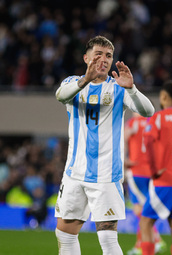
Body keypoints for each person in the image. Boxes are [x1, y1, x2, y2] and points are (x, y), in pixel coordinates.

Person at [54, 35, 155, 255]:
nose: (104, 59)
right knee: (65, 233)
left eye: (108, 55)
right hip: (74, 173)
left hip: (107, 175)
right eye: (98, 54)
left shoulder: (118, 88)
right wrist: (85, 80)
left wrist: (132, 89)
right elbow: (60, 96)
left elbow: (148, 112)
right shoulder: (72, 83)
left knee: (108, 239)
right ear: (86, 57)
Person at [139, 81, 172, 255]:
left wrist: (153, 169)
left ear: (164, 96)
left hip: (164, 179)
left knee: (145, 222)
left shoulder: (158, 117)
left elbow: (148, 141)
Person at [124, 112, 165, 255]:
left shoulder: (132, 123)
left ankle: (157, 240)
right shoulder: (152, 123)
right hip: (151, 171)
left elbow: (122, 138)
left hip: (136, 171)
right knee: (144, 208)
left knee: (139, 210)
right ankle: (139, 245)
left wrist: (124, 158)